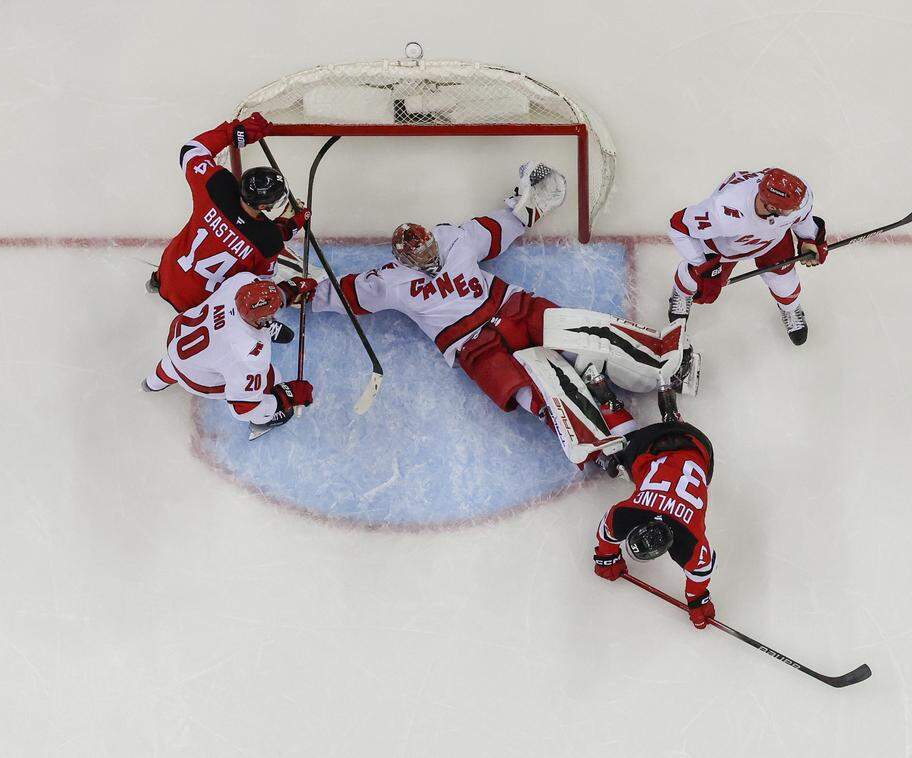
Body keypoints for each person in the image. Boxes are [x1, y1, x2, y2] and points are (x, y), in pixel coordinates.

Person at [311, 162, 698, 468]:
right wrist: (304, 292)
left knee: (583, 329)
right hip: (475, 346)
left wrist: (527, 207)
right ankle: (597, 439)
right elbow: (345, 293)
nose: (430, 258)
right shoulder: (389, 282)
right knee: (529, 389)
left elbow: (498, 228)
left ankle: (661, 360)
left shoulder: (454, 239)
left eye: (430, 249)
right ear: (402, 259)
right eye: (420, 257)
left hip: (512, 308)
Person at [147, 112, 310, 342]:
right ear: (264, 205)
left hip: (170, 273)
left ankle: (155, 283)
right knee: (242, 302)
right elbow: (258, 287)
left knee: (182, 263)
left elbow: (190, 151)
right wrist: (286, 229)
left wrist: (232, 133)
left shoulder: (217, 184)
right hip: (198, 310)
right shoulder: (269, 241)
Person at [665, 168, 828, 345]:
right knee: (698, 283)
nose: (795, 210)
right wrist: (704, 266)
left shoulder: (799, 196)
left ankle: (790, 309)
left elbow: (802, 217)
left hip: (772, 240)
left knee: (785, 285)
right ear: (771, 207)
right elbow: (678, 226)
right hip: (724, 249)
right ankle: (681, 294)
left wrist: (808, 239)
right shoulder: (725, 212)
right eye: (788, 210)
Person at [142, 271, 316, 436]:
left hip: (179, 341)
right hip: (201, 379)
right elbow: (243, 409)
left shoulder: (240, 282)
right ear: (261, 319)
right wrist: (285, 397)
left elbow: (256, 291)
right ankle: (262, 422)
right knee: (271, 377)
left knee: (173, 365)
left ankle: (151, 384)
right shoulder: (250, 355)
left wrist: (284, 291)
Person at [592, 419, 718, 630]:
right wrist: (697, 601)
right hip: (670, 444)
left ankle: (611, 406)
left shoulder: (686, 539)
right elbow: (608, 526)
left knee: (626, 459)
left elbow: (702, 569)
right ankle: (611, 409)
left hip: (699, 447)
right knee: (622, 458)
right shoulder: (634, 515)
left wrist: (607, 556)